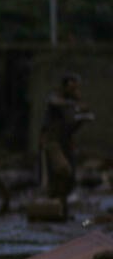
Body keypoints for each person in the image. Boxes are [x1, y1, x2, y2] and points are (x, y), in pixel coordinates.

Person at [39, 72, 94, 214]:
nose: (75, 91)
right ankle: (53, 202)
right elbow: (56, 103)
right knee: (63, 170)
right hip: (53, 142)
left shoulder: (73, 103)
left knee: (70, 177)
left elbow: (72, 122)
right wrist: (74, 103)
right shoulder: (56, 99)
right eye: (72, 88)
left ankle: (61, 209)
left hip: (66, 142)